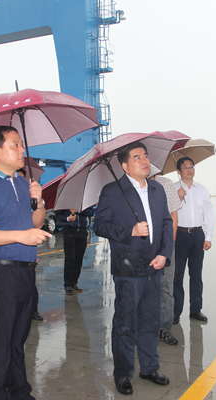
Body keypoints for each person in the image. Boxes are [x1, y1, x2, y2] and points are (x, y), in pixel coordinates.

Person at [0, 125, 51, 400]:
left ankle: (20, 392)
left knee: (17, 340)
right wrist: (20, 236)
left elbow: (35, 223)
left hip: (25, 273)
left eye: (21, 144)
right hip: (0, 273)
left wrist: (39, 201)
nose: (21, 150)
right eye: (14, 145)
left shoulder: (23, 184)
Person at [93, 142, 173, 396]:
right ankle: (123, 374)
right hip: (128, 269)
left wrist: (164, 254)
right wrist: (130, 231)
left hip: (154, 267)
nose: (144, 160)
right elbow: (100, 225)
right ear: (125, 166)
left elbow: (167, 223)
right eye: (137, 157)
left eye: (145, 156)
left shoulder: (157, 190)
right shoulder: (113, 191)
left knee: (151, 321)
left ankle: (150, 368)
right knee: (125, 324)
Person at [173, 156, 214, 324]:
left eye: (191, 166)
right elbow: (166, 212)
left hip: (198, 235)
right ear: (178, 171)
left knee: (196, 275)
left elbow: (208, 213)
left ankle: (196, 310)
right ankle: (175, 312)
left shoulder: (202, 190)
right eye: (185, 167)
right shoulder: (173, 189)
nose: (189, 169)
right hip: (180, 235)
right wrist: (177, 197)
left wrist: (208, 236)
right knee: (177, 276)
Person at [149, 173, 181, 345]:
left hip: (165, 244)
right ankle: (142, 328)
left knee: (166, 286)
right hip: (143, 245)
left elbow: (174, 215)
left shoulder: (166, 184)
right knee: (142, 287)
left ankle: (164, 328)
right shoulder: (131, 186)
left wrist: (170, 241)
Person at [16, 168, 44, 322]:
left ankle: (33, 310)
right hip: (9, 257)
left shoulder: (29, 198)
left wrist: (39, 202)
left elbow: (37, 224)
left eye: (22, 179)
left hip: (27, 254)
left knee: (31, 286)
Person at [56, 206, 95, 295]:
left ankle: (74, 282)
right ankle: (68, 284)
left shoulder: (84, 200)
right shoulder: (65, 201)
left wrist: (79, 211)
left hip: (82, 232)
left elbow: (91, 212)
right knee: (70, 258)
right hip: (69, 232)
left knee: (79, 259)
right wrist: (68, 219)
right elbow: (58, 215)